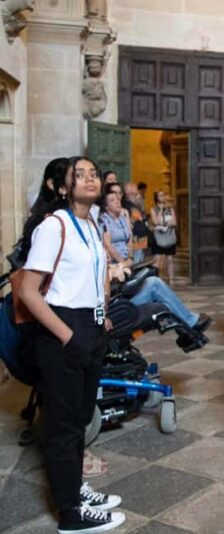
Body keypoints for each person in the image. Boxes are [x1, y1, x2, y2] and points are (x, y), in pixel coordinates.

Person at [17, 156, 126, 532]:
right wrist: (67, 335)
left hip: (91, 327)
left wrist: (102, 314)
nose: (90, 179)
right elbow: (28, 292)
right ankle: (70, 514)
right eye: (79, 175)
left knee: (79, 420)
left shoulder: (91, 222)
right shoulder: (54, 226)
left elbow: (98, 274)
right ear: (64, 187)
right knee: (63, 427)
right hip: (62, 331)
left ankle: (75, 489)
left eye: (93, 173)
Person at [149, 190, 177, 285]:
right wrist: (161, 210)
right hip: (158, 237)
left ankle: (171, 279)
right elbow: (155, 222)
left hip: (169, 236)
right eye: (160, 195)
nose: (163, 197)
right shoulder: (153, 209)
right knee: (157, 258)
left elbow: (174, 222)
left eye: (163, 195)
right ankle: (157, 279)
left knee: (170, 259)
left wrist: (164, 223)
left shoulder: (170, 209)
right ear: (156, 197)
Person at [99, 191, 132, 266]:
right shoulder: (104, 220)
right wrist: (123, 262)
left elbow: (129, 239)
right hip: (114, 263)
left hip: (127, 259)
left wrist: (130, 258)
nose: (117, 202)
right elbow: (108, 245)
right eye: (112, 200)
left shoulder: (122, 218)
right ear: (106, 206)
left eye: (118, 199)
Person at [123, 183, 148, 264]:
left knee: (140, 260)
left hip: (141, 239)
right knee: (136, 262)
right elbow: (136, 219)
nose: (137, 196)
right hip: (135, 239)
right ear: (128, 194)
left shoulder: (134, 205)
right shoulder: (126, 205)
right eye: (135, 194)